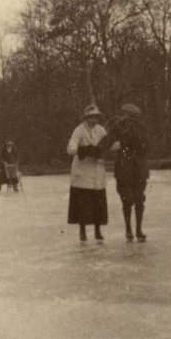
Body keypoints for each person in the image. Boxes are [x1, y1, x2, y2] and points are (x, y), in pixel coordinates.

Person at [99, 103, 150, 242]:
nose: (128, 119)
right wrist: (111, 145)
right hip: (127, 169)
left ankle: (136, 230)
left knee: (137, 199)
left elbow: (146, 146)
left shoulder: (138, 127)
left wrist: (122, 144)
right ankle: (131, 230)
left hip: (135, 169)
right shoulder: (119, 127)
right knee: (129, 200)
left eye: (130, 117)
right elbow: (104, 144)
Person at [66, 104, 109, 242]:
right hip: (83, 172)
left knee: (98, 203)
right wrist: (82, 150)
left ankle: (97, 230)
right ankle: (82, 230)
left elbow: (109, 144)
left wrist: (120, 145)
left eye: (96, 117)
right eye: (91, 117)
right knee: (83, 204)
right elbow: (70, 148)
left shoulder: (101, 130)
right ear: (86, 118)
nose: (94, 120)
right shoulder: (79, 130)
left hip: (96, 172)